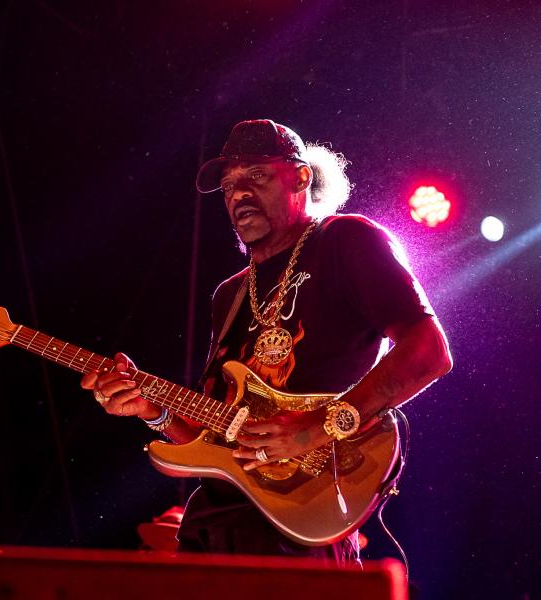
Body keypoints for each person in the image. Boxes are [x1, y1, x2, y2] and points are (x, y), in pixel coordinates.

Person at [81, 119, 452, 563]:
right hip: (211, 526)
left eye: (255, 175)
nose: (238, 194)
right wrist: (153, 410)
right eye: (228, 186)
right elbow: (215, 432)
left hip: (300, 518)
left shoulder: (345, 240)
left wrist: (316, 427)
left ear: (300, 177)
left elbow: (429, 351)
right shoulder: (230, 294)